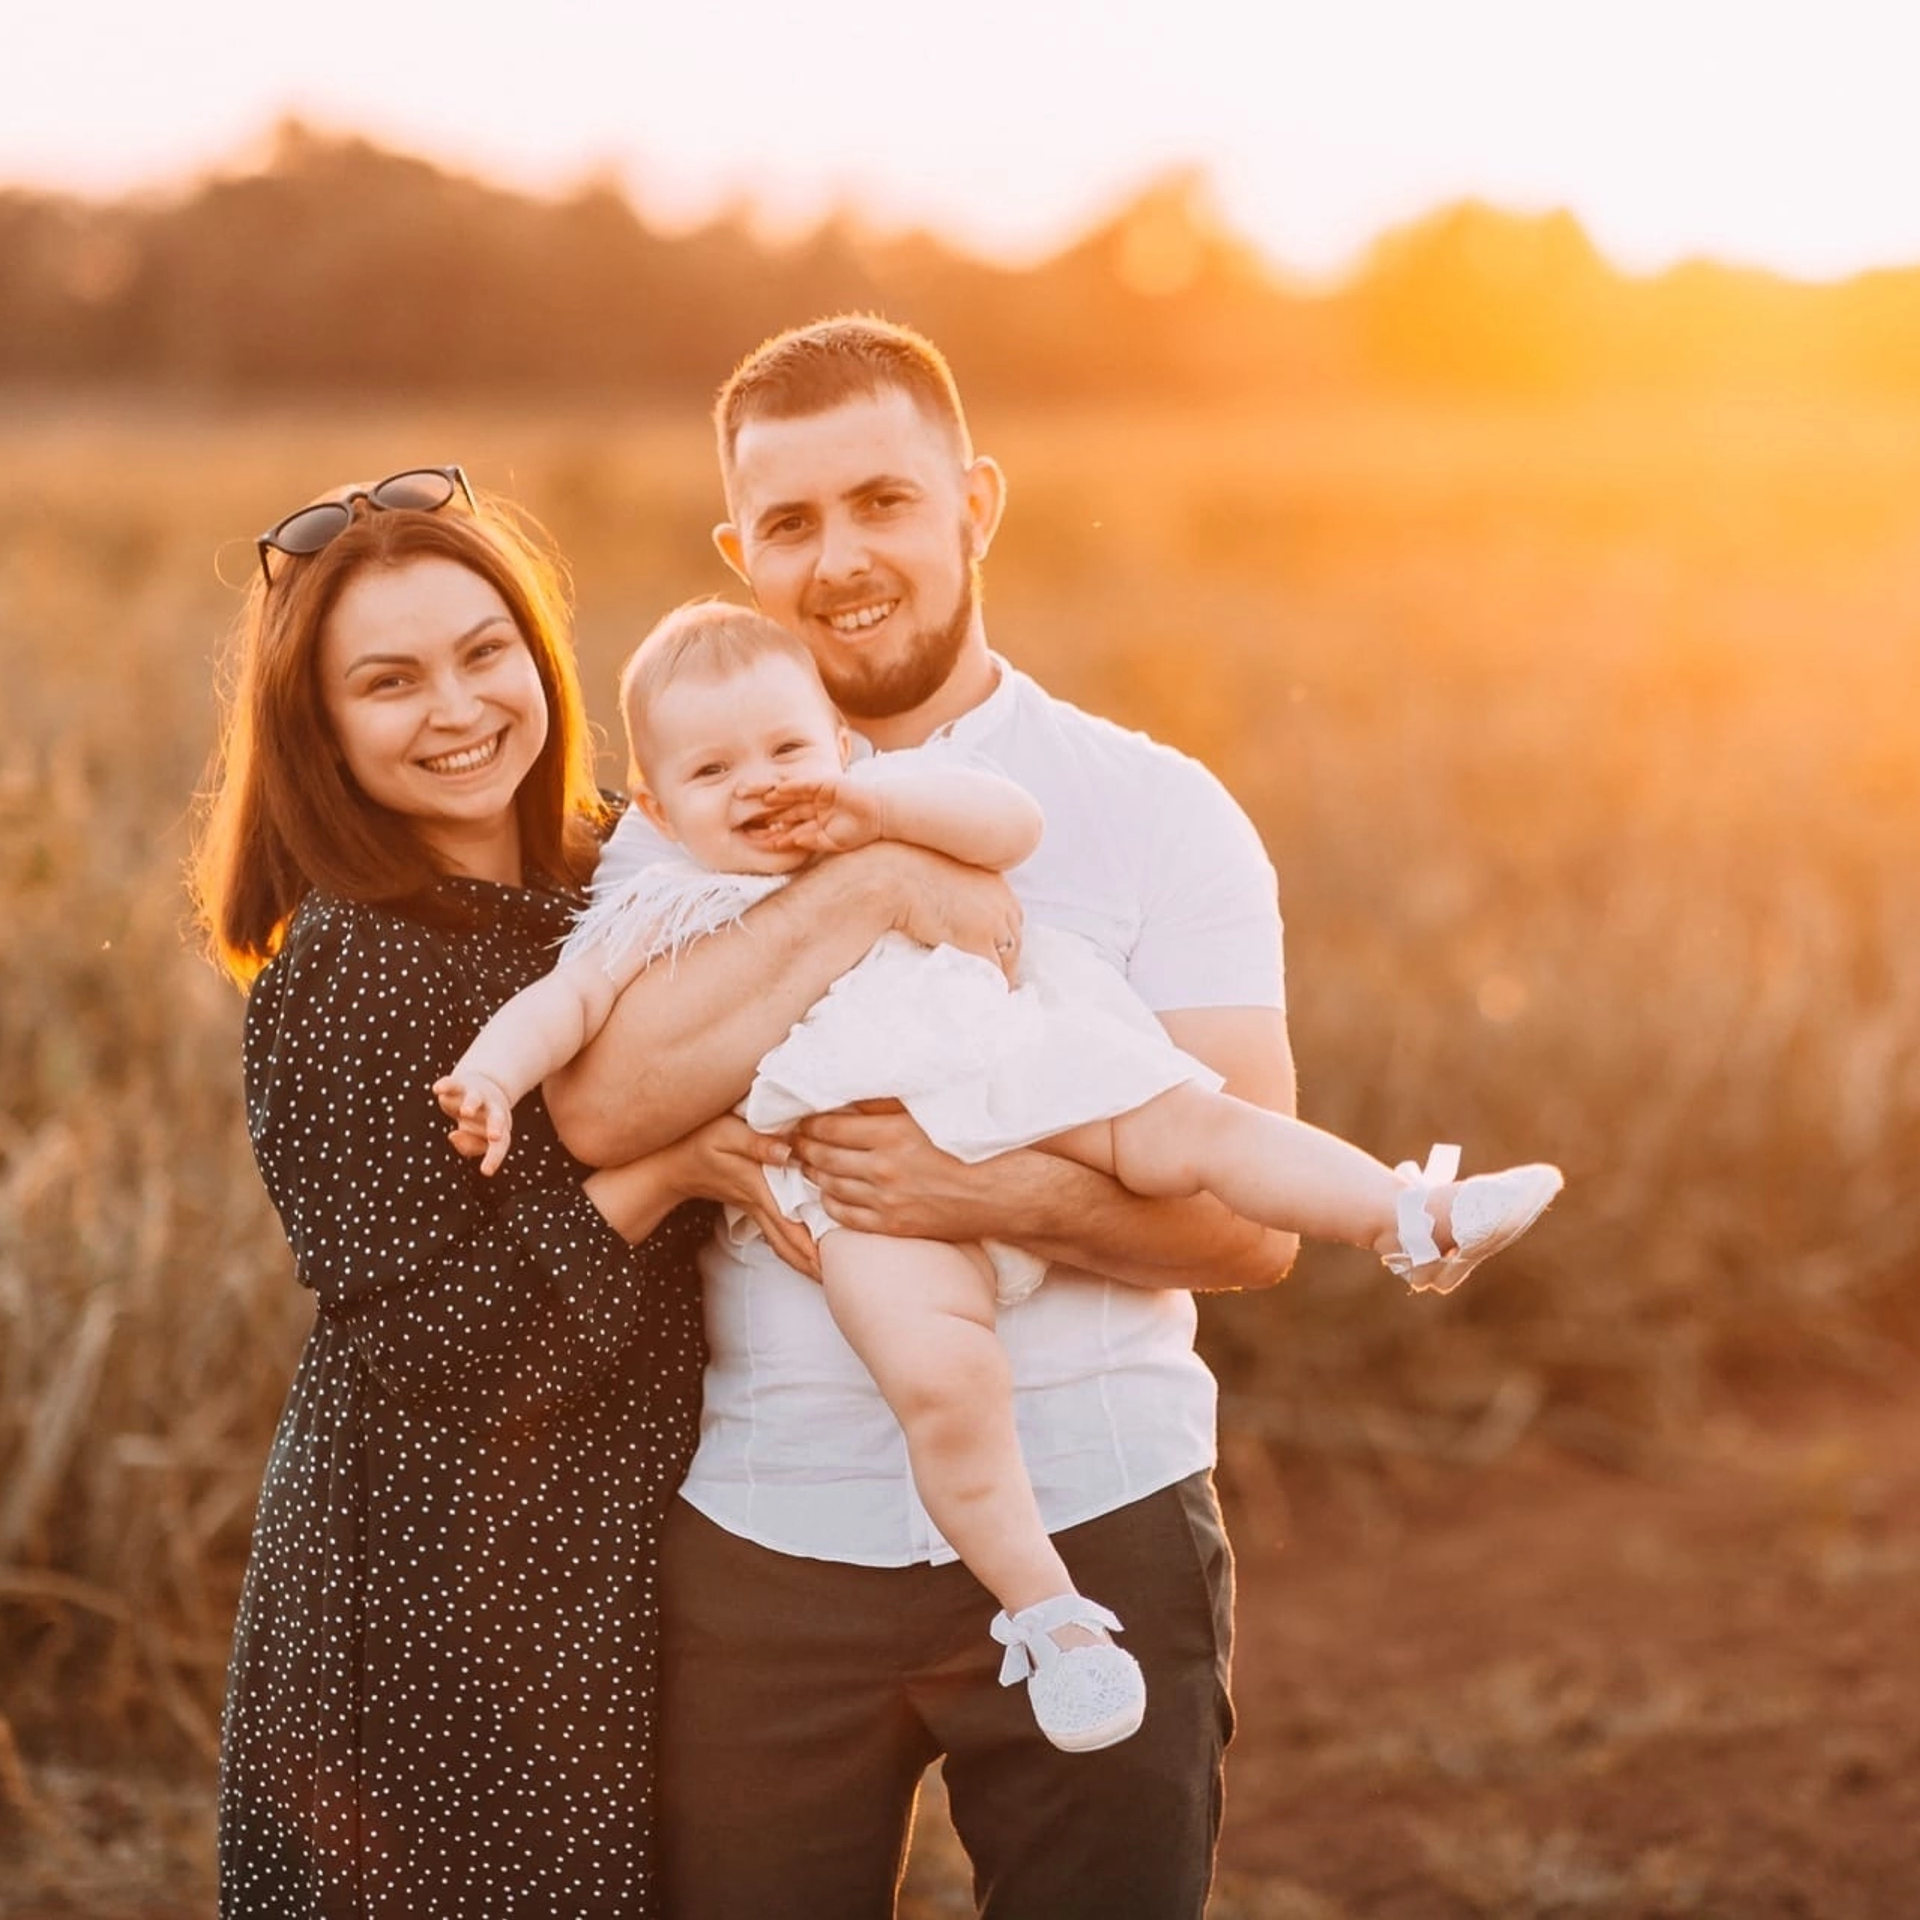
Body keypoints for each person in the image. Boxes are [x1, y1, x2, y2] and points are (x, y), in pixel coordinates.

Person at [532, 316, 1531, 1920]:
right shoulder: (672, 815)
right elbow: (600, 1108)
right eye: (789, 524)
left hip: (1099, 1497)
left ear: (975, 505)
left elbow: (1252, 1225)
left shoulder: (1153, 810)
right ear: (738, 551)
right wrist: (869, 887)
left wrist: (964, 1191)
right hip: (764, 1538)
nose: (840, 558)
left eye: (884, 502)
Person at [436, 600, 1562, 1755]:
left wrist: (866, 808)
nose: (759, 785)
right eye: (714, 770)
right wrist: (490, 1074)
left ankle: (1410, 1211)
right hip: (858, 1182)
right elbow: (564, 1010)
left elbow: (1010, 823)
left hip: (1015, 1071)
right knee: (942, 1386)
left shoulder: (881, 814)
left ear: (839, 748)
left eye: (786, 752)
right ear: (662, 806)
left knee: (1200, 1128)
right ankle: (1054, 1617)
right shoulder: (661, 894)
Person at [187, 467, 1009, 1918]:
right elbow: (439, 1349)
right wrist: (664, 1169)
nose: (456, 709)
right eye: (389, 681)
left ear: (541, 659)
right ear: (318, 725)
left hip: (636, 1540)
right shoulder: (346, 968)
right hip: (443, 1587)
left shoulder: (632, 863)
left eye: (483, 653)